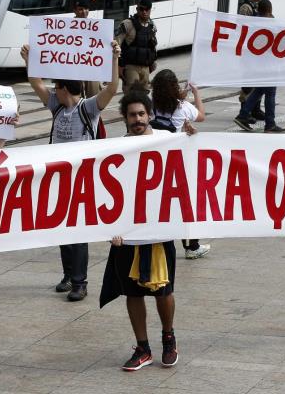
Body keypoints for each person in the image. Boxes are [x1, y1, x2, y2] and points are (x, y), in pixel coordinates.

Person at [100, 89, 195, 371]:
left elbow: (193, 159)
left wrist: (193, 135)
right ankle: (142, 348)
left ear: (150, 115)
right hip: (127, 235)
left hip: (159, 231)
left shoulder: (167, 140)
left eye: (142, 114)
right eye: (132, 115)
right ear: (125, 118)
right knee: (133, 292)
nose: (138, 119)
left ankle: (169, 338)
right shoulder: (115, 149)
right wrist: (111, 228)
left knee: (164, 291)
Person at [20, 38, 121, 302]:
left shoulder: (87, 107)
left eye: (56, 87)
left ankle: (80, 282)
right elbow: (36, 83)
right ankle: (68, 276)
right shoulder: (57, 106)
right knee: (62, 228)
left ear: (64, 89)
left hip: (81, 179)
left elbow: (112, 88)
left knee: (77, 231)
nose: (52, 91)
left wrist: (114, 59)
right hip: (58, 177)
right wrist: (30, 61)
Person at [150, 69, 211, 260]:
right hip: (176, 162)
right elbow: (201, 115)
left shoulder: (150, 104)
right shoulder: (182, 107)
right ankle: (191, 246)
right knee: (184, 204)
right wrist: (196, 93)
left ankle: (153, 238)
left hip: (153, 159)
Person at [234, 0, 285, 134]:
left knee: (259, 90)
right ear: (270, 11)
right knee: (270, 93)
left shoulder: (253, 22)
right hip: (269, 65)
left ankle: (243, 115)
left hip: (255, 64)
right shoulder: (271, 24)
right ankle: (270, 124)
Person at [237, 0, 266, 121]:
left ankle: (256, 108)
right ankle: (244, 109)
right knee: (248, 82)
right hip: (249, 50)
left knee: (259, 80)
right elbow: (242, 28)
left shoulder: (264, 5)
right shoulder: (246, 8)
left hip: (261, 50)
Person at [117, 0, 158, 94]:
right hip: (131, 66)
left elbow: (153, 46)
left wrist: (153, 62)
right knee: (132, 95)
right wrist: (119, 65)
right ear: (137, 9)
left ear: (150, 10)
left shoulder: (152, 26)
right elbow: (116, 44)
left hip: (146, 67)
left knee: (144, 97)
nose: (144, 12)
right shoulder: (127, 24)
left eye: (147, 10)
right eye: (141, 9)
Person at [71, 0, 104, 98]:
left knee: (94, 95)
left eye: (86, 9)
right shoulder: (67, 26)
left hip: (91, 66)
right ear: (75, 10)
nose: (84, 12)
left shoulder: (95, 26)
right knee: (75, 96)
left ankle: (94, 114)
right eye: (80, 9)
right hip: (74, 67)